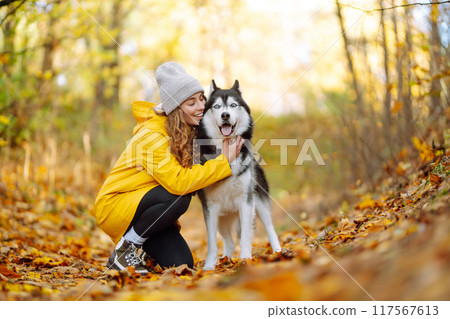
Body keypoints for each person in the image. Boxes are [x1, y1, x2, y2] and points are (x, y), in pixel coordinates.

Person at [92, 62, 244, 275]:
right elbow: (179, 183)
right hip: (116, 206)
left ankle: (141, 250)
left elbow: (198, 175)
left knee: (182, 264)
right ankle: (126, 249)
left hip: (143, 208)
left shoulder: (185, 132)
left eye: (201, 99)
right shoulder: (152, 136)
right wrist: (224, 163)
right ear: (175, 109)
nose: (201, 106)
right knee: (179, 195)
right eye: (191, 103)